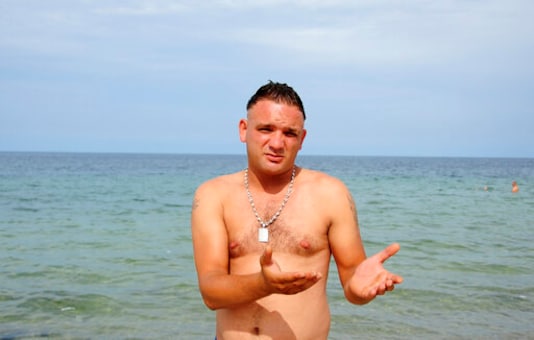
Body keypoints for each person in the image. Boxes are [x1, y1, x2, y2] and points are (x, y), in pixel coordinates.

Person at [191, 81, 403, 340]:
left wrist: (359, 290)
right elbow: (211, 292)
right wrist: (264, 284)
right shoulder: (214, 195)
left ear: (302, 139)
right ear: (244, 130)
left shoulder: (330, 194)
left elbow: (352, 283)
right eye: (266, 129)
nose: (277, 143)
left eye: (289, 133)